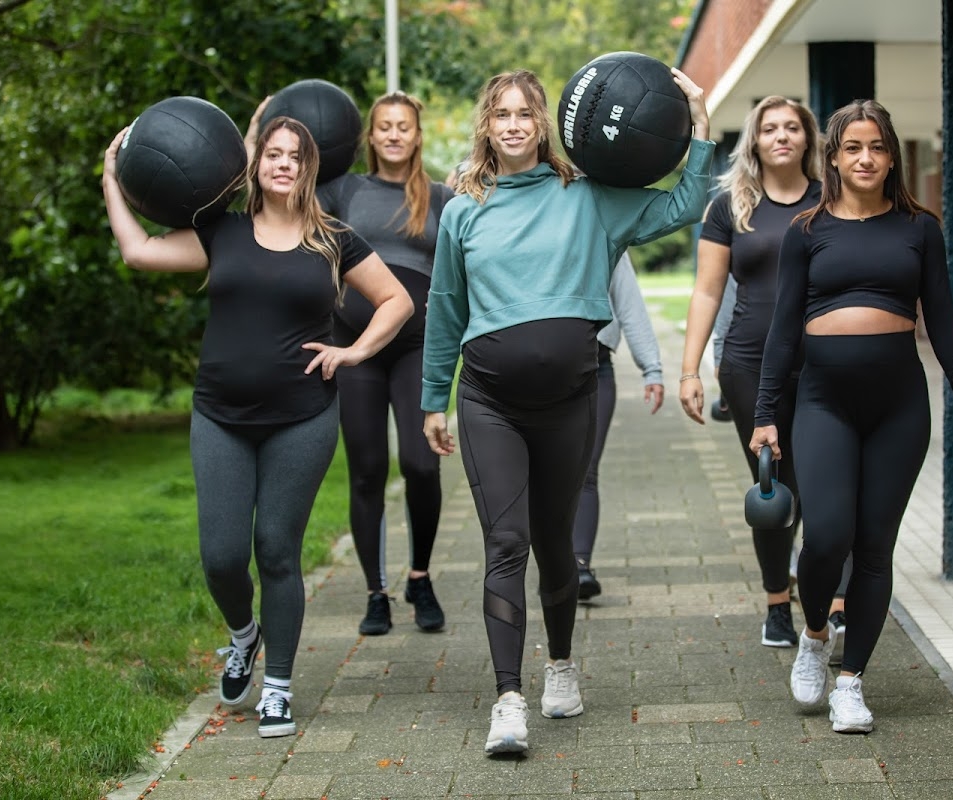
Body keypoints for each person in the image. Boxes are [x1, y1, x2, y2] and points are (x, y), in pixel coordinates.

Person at [421, 68, 713, 755]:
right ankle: (507, 699)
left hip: (569, 401)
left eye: (527, 113)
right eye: (503, 115)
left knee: (555, 545)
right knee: (505, 543)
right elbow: (444, 309)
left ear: (545, 122)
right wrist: (434, 398)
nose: (515, 125)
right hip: (489, 401)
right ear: (487, 126)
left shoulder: (587, 196)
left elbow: (685, 203)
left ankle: (558, 666)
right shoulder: (464, 208)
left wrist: (698, 121)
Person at [101, 115, 413, 738]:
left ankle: (278, 688)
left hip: (302, 418)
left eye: (295, 156)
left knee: (276, 550)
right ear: (256, 163)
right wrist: (112, 176)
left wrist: (352, 353)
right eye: (273, 153)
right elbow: (138, 252)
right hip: (220, 416)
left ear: (307, 169)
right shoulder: (221, 231)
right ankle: (244, 635)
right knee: (221, 558)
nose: (284, 164)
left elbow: (397, 300)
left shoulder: (332, 239)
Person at [749, 99, 953, 734]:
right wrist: (766, 411)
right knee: (827, 534)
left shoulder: (919, 229)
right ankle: (815, 633)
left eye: (876, 147)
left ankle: (851, 682)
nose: (864, 158)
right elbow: (781, 329)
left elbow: (942, 320)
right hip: (823, 402)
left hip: (899, 407)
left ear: (892, 157)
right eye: (852, 147)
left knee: (875, 546)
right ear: (832, 156)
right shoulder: (807, 229)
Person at [679, 95, 824, 648]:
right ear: (756, 140)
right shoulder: (730, 206)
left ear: (808, 139)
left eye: (792, 127)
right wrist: (690, 369)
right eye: (770, 128)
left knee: (824, 483)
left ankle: (831, 598)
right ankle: (776, 604)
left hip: (822, 365)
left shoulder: (829, 202)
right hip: (747, 365)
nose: (782, 136)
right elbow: (707, 290)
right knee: (773, 488)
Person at [313, 92, 455, 636]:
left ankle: (419, 577)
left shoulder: (440, 197)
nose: (394, 135)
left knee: (421, 464)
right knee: (368, 467)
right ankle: (375, 591)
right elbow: (288, 209)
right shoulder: (343, 191)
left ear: (418, 136)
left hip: (417, 345)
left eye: (404, 127)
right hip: (353, 346)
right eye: (384, 127)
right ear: (369, 138)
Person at [574, 251, 664, 601]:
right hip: (542, 368)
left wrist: (651, 367)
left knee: (586, 469)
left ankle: (579, 565)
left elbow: (628, 301)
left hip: (597, 367)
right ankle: (555, 565)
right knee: (548, 476)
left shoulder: (605, 225)